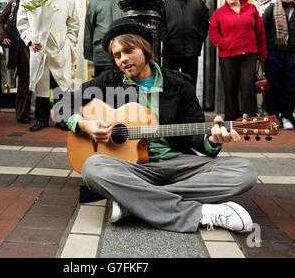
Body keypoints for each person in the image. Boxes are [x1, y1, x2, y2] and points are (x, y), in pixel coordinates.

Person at [55, 18, 256, 233]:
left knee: (244, 171)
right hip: (130, 169)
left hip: (175, 164)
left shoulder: (179, 84)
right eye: (117, 55)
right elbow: (61, 103)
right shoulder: (108, 81)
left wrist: (213, 139)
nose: (123, 59)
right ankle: (200, 213)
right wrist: (83, 124)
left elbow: (196, 131)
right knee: (93, 168)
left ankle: (133, 201)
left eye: (128, 50)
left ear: (144, 48)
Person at [16, 0, 79, 132]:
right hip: (39, 49)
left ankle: (62, 119)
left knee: (61, 85)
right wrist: (29, 40)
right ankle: (41, 119)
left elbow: (74, 23)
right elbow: (22, 22)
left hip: (60, 49)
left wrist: (69, 44)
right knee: (41, 86)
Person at [209, 0, 266, 121]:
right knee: (230, 88)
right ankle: (231, 118)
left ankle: (249, 117)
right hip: (227, 56)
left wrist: (262, 53)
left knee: (248, 86)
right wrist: (226, 44)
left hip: (249, 55)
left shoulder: (251, 9)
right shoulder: (219, 13)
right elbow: (213, 34)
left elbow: (260, 32)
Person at [262, 0, 295, 130]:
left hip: (294, 54)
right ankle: (273, 116)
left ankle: (287, 116)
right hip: (274, 53)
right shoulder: (273, 7)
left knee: (290, 86)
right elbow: (262, 29)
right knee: (274, 86)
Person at [160, 0, 209, 88]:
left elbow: (205, 23)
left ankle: (188, 107)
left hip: (191, 53)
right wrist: (165, 38)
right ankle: (172, 107)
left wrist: (198, 39)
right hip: (170, 53)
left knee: (190, 85)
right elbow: (158, 23)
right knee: (169, 85)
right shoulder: (163, 2)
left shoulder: (198, 2)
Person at [0, 0, 33, 124]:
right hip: (20, 46)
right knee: (25, 79)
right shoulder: (13, 4)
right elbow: (0, 20)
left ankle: (27, 111)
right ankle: (22, 113)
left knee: (30, 80)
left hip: (35, 45)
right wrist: (3, 36)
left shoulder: (38, 4)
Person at [84, 0, 123, 77]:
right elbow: (88, 27)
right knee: (100, 89)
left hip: (120, 54)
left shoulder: (124, 2)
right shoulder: (95, 1)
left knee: (119, 90)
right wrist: (88, 53)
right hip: (101, 54)